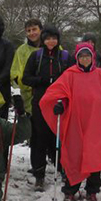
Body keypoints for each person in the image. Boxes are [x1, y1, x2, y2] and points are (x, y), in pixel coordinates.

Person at [40, 43, 101, 201]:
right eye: (81, 56)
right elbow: (60, 94)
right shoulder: (70, 75)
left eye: (87, 56)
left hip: (97, 124)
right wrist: (61, 105)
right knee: (74, 155)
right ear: (77, 58)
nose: (84, 59)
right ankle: (71, 190)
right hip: (75, 123)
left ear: (92, 57)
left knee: (95, 156)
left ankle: (92, 191)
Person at [21, 26, 72, 189]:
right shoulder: (36, 56)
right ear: (43, 40)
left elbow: (72, 77)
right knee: (39, 138)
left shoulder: (64, 57)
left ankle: (63, 169)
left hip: (59, 102)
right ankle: (39, 174)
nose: (51, 41)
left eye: (54, 38)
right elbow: (25, 78)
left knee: (60, 137)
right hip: (40, 102)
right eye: (48, 38)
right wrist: (41, 80)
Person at [10, 18, 42, 115]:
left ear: (41, 30)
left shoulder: (51, 46)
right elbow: (14, 74)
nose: (32, 33)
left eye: (34, 29)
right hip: (27, 97)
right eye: (28, 31)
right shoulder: (21, 51)